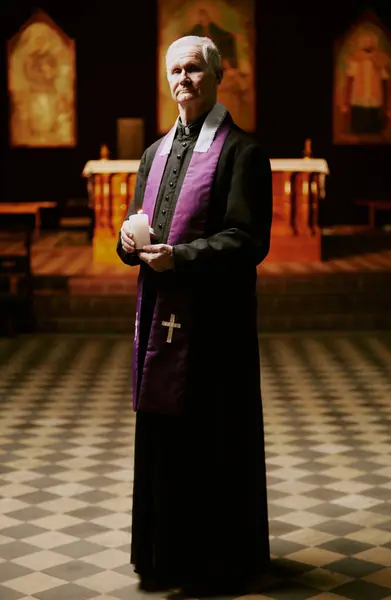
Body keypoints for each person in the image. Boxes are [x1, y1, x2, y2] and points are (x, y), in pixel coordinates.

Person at [116, 35, 272, 595]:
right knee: (163, 432)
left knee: (211, 436)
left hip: (213, 325)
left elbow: (248, 239)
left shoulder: (243, 152)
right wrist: (129, 244)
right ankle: (162, 557)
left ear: (216, 76)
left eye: (194, 69)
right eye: (174, 70)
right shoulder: (154, 153)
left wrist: (179, 258)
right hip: (160, 313)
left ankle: (214, 562)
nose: (183, 78)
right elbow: (138, 221)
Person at [341, 31, 391, 135]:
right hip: (358, 101)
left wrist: (387, 107)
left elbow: (385, 81)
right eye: (366, 42)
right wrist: (345, 103)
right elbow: (350, 80)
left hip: (375, 101)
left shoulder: (379, 59)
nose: (368, 45)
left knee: (374, 132)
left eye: (371, 42)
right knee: (359, 129)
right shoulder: (355, 60)